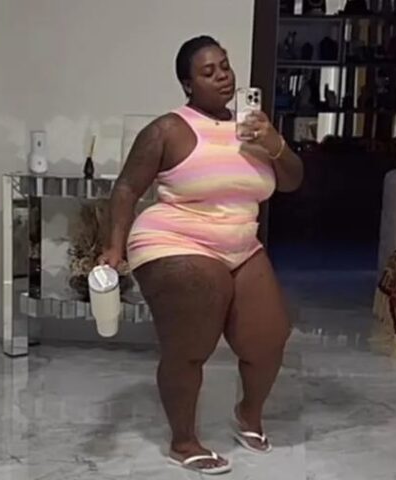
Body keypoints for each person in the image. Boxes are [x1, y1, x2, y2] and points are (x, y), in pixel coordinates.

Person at [100, 35, 304, 475]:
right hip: (174, 239)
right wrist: (114, 246)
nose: (223, 77)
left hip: (240, 243)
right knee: (193, 336)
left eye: (225, 66)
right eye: (208, 72)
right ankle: (183, 440)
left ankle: (248, 415)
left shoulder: (253, 128)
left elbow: (291, 181)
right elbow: (127, 187)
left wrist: (275, 144)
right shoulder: (169, 129)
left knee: (269, 337)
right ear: (187, 84)